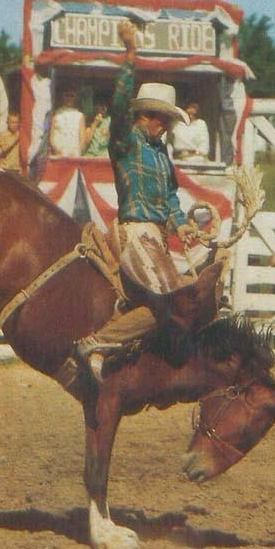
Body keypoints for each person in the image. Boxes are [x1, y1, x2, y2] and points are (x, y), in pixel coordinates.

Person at [74, 21, 197, 382]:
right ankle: (96, 342)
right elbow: (118, 105)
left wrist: (182, 224)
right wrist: (130, 57)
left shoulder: (161, 153)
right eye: (167, 120)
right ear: (151, 117)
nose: (169, 127)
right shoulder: (125, 141)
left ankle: (115, 356)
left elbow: (172, 196)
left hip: (157, 237)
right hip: (135, 232)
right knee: (167, 305)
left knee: (176, 302)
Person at [49, 88, 86, 156]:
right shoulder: (56, 114)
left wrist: (79, 151)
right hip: (58, 154)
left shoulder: (80, 116)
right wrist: (56, 150)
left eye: (72, 96)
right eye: (67, 95)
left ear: (75, 98)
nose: (69, 98)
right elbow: (51, 137)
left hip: (74, 155)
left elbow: (82, 139)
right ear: (63, 97)